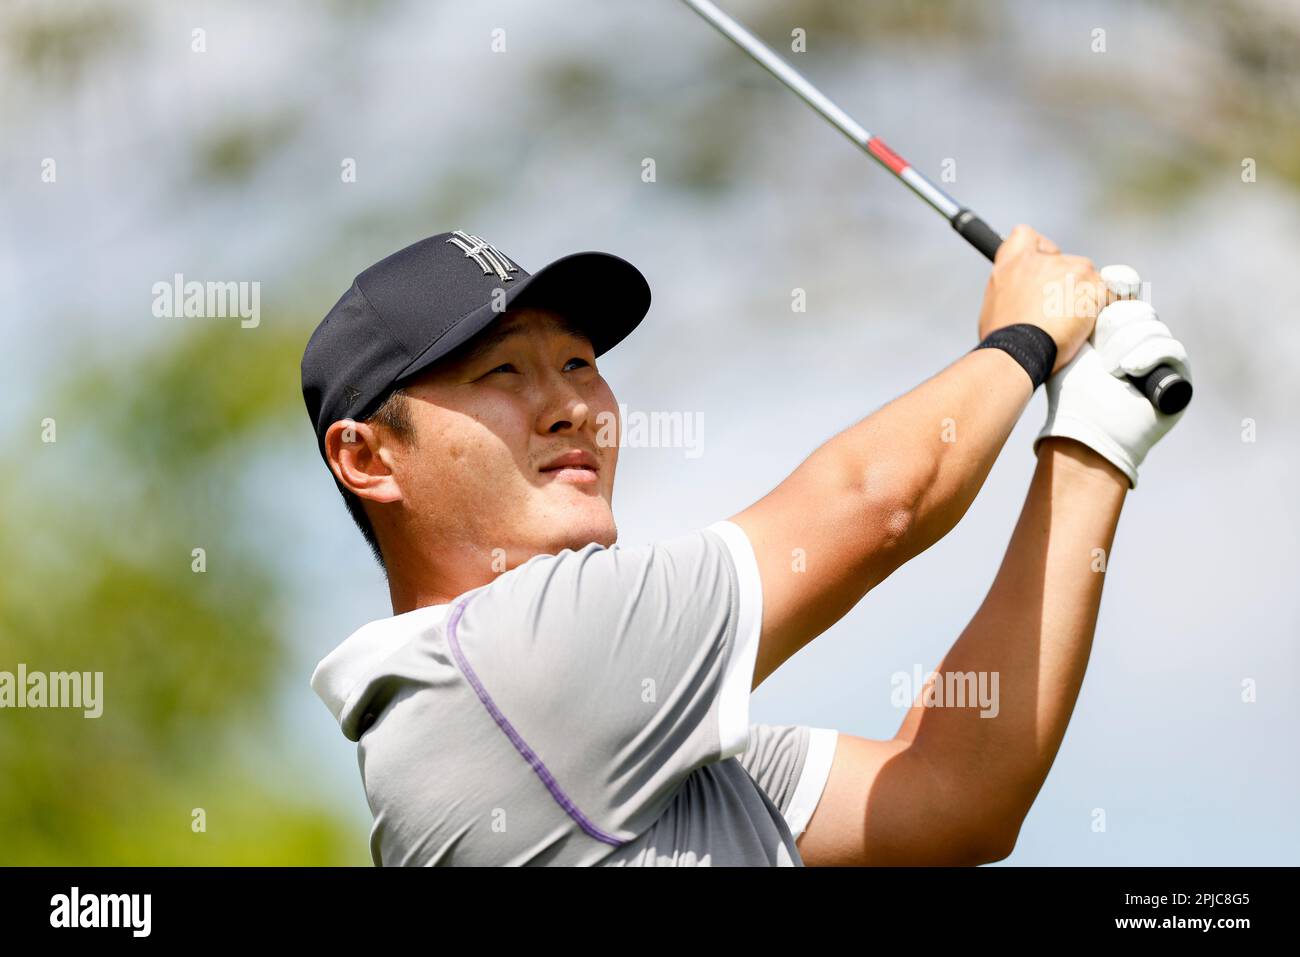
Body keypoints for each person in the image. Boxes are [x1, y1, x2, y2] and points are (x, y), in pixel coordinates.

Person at [300, 226, 1190, 866]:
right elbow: (876, 504)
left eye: (579, 364)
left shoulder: (614, 731)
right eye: (503, 370)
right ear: (367, 457)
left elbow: (952, 802)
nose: (572, 405)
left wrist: (1091, 448)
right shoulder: (499, 664)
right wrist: (1023, 339)